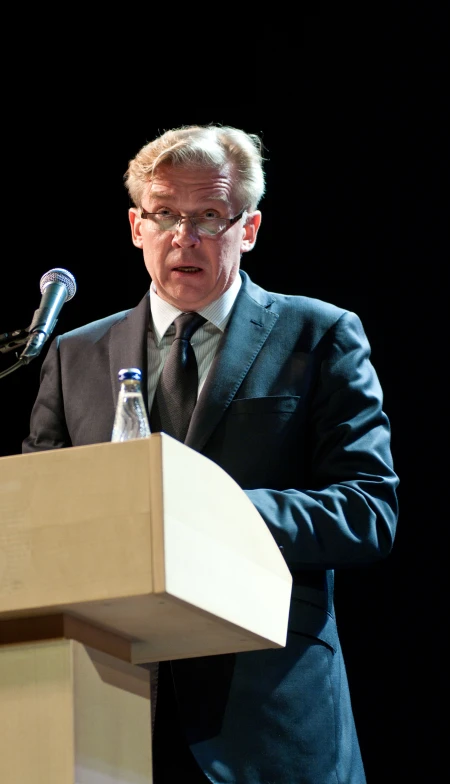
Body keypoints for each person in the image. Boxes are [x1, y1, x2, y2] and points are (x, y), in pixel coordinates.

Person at [22, 124, 399, 784]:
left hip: (264, 712)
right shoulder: (73, 354)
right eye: (165, 213)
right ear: (136, 225)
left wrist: (209, 512)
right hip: (101, 713)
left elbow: (366, 512)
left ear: (247, 228)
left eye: (207, 217)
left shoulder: (319, 336)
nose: (183, 236)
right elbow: (35, 521)